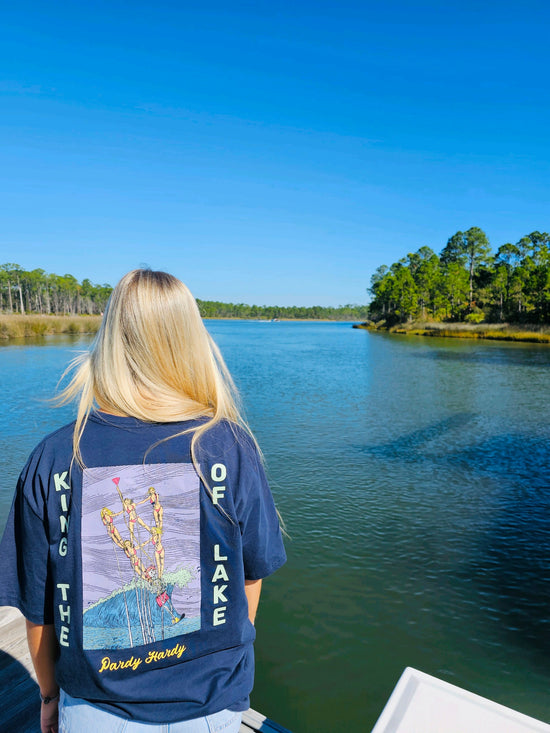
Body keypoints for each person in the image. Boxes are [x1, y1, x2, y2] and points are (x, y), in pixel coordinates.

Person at [0, 269, 286, 733]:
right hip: (211, 707)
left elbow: (40, 612)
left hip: (93, 711)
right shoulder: (229, 447)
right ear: (191, 341)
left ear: (109, 339)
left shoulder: (54, 456)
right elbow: (250, 577)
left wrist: (50, 697)